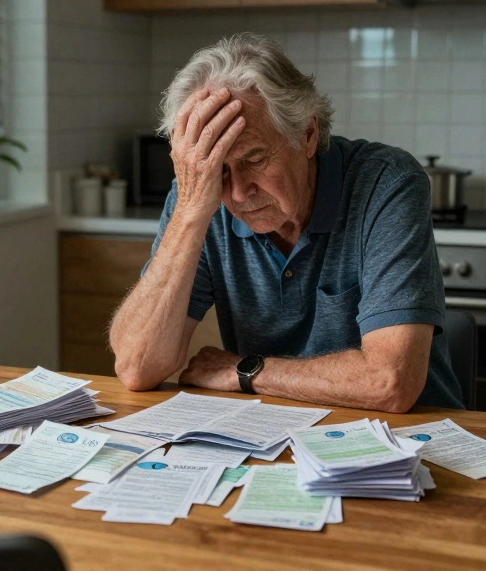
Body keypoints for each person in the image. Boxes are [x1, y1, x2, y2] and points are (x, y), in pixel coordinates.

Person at [109, 33, 463, 413]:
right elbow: (136, 367)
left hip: (413, 438)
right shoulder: (199, 194)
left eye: (254, 159)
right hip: (275, 432)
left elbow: (389, 383)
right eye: (218, 171)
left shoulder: (386, 183)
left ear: (307, 134)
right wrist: (191, 209)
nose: (239, 193)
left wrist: (246, 371)